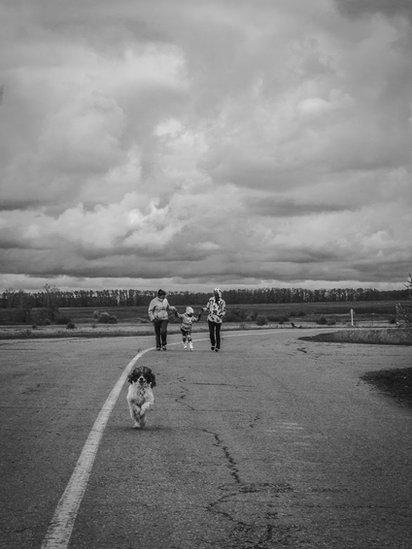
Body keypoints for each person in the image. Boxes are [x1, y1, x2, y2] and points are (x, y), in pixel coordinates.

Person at [202, 288, 226, 352]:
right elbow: (207, 307)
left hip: (218, 319)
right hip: (211, 318)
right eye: (215, 293)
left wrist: (221, 315)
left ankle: (218, 346)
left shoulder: (222, 302)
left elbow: (224, 310)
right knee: (211, 333)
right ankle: (213, 343)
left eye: (217, 293)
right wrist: (204, 309)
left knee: (217, 333)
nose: (216, 294)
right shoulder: (211, 299)